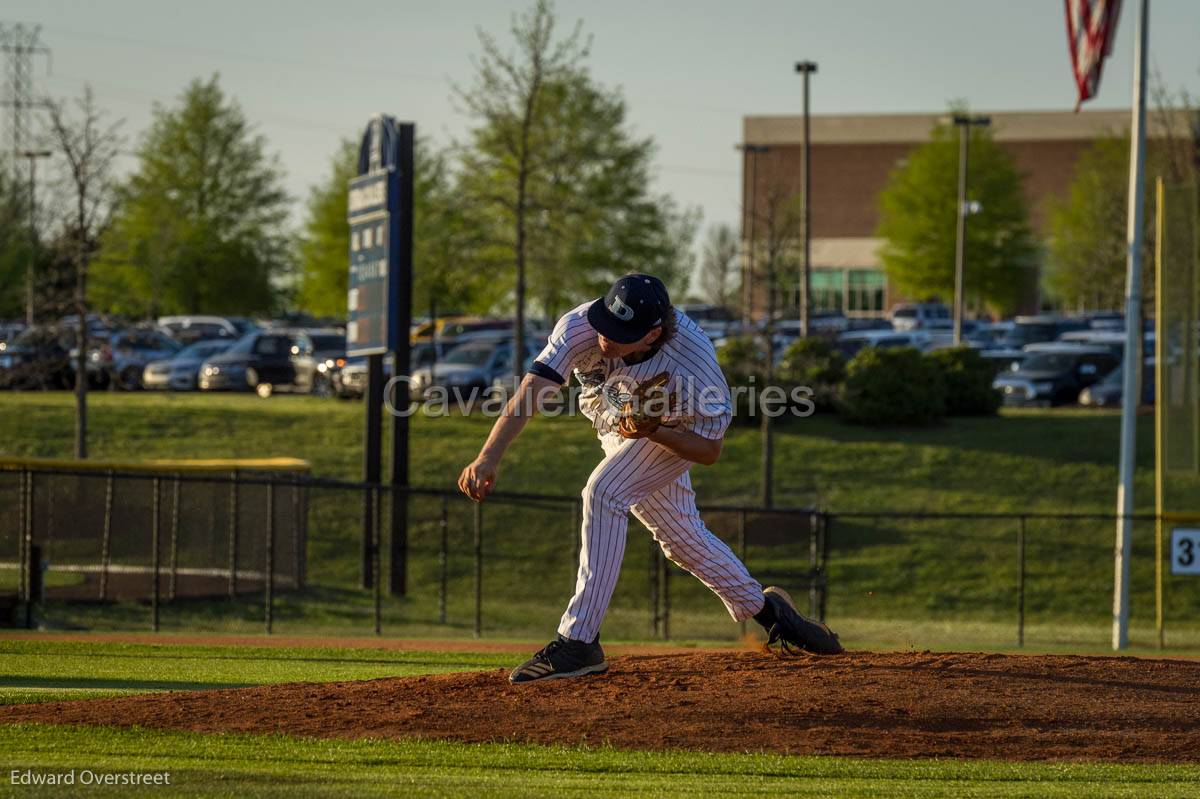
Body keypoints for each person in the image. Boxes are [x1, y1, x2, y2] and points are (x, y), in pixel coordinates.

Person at [458, 274, 842, 683]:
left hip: (673, 430)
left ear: (653, 334)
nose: (606, 337)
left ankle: (578, 641)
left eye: (621, 333)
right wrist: (488, 456)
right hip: (614, 424)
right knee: (682, 540)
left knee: (604, 492)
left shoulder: (692, 362)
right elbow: (533, 389)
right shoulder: (579, 325)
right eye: (605, 322)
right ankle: (771, 613)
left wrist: (654, 431)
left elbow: (710, 451)